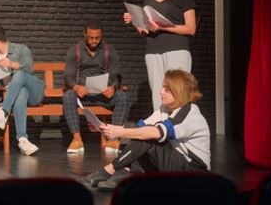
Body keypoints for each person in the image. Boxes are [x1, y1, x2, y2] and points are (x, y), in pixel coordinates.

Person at [82, 69, 210, 190]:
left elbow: (154, 132)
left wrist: (119, 132)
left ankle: (109, 170)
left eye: (167, 89)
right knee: (140, 130)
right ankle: (125, 172)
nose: (161, 91)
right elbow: (138, 128)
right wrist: (106, 127)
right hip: (174, 168)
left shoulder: (189, 113)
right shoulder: (165, 108)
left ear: (179, 91)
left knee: (149, 135)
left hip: (194, 175)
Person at [123, 0, 198, 110]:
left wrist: (163, 27)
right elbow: (145, 31)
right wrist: (134, 21)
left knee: (178, 93)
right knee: (158, 95)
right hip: (153, 51)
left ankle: (179, 130)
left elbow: (191, 28)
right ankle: (161, 131)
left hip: (176, 50)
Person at [64, 20, 129, 154]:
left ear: (102, 36)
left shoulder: (109, 50)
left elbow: (117, 75)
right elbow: (68, 76)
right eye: (91, 37)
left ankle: (114, 138)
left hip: (103, 95)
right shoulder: (75, 50)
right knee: (68, 95)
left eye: (97, 38)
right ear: (85, 34)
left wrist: (113, 87)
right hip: (83, 96)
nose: (94, 40)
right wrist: (75, 87)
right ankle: (76, 139)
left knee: (122, 96)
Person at [0, 25, 45, 156]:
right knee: (20, 93)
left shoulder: (21, 49)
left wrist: (12, 64)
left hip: (34, 91)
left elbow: (29, 69)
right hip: (16, 96)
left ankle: (3, 112)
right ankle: (22, 140)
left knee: (20, 74)